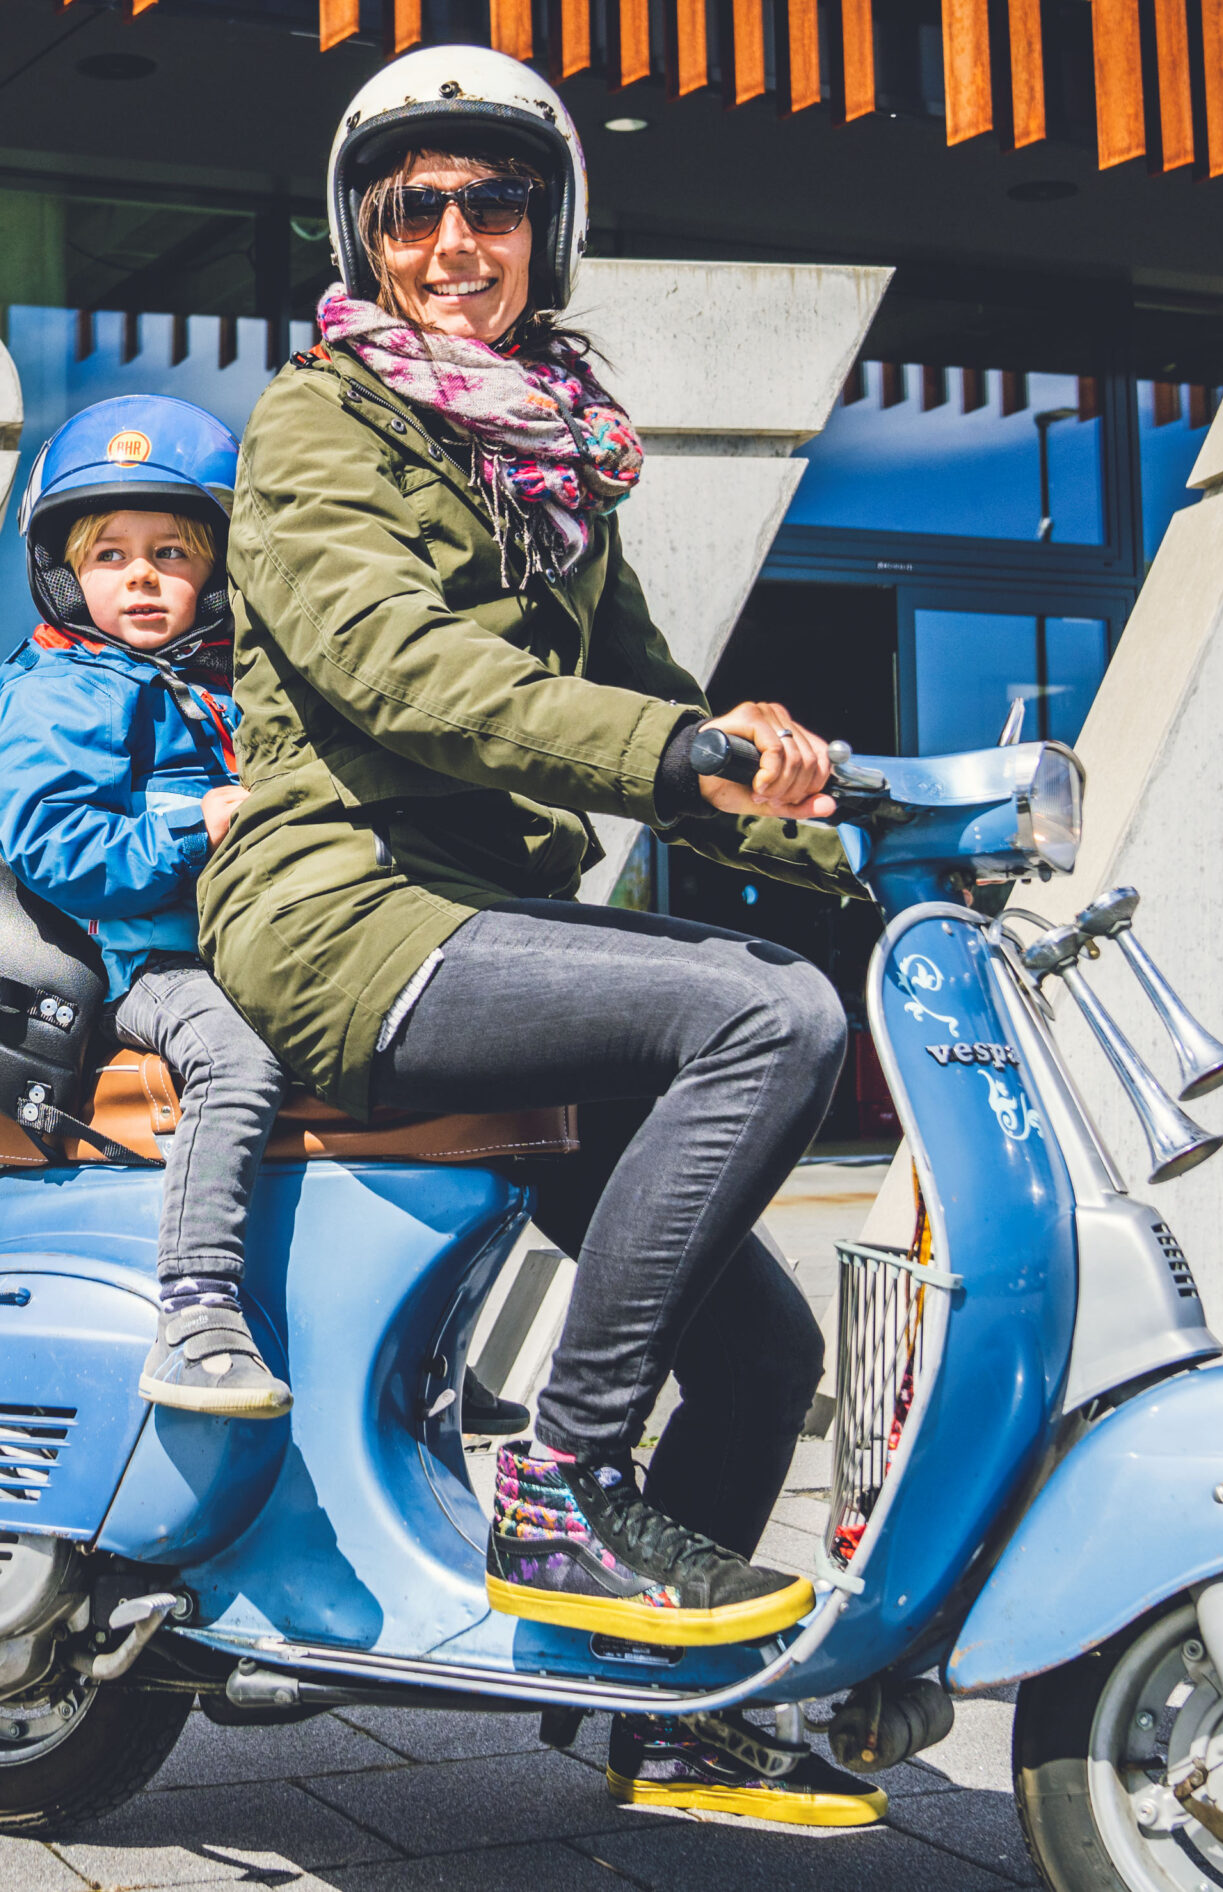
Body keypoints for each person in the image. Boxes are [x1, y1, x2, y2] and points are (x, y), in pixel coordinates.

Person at [204, 46, 886, 1826]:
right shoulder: (319, 424)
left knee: (764, 1356)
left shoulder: (556, 461)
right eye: (410, 206)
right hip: (345, 910)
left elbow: (655, 703)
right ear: (367, 233)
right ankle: (566, 1477)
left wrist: (862, 832)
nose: (450, 237)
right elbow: (399, 669)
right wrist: (678, 753)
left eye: (490, 202)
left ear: (548, 229)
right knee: (764, 1021)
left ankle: (674, 1707)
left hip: (491, 923)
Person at [0, 395, 293, 1419]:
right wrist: (193, 825)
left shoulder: (222, 684)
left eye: (172, 551)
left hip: (251, 947)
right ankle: (195, 1311)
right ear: (66, 574)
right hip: (143, 962)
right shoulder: (58, 689)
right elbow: (59, 849)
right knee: (234, 1059)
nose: (144, 576)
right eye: (111, 554)